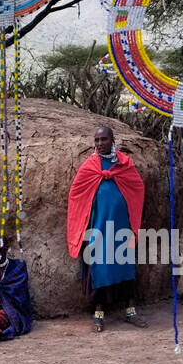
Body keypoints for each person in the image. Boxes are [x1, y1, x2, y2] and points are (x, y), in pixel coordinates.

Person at [66, 125, 148, 332]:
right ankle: (99, 315)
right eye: (97, 140)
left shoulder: (124, 164)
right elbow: (77, 192)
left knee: (126, 265)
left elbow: (137, 187)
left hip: (122, 228)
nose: (100, 144)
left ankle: (131, 312)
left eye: (104, 139)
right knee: (99, 267)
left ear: (113, 140)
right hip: (98, 227)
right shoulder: (90, 166)